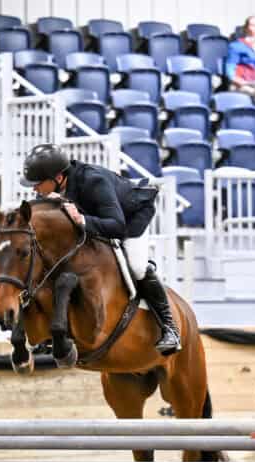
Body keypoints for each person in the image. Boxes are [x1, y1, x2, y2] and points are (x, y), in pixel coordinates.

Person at [18, 143, 181, 354]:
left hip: (130, 217)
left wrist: (82, 220)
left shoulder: (94, 181)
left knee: (136, 266)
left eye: (38, 183)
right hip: (99, 216)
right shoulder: (55, 189)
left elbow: (117, 226)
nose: (34, 189)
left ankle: (170, 327)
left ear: (58, 178)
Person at [225, 15, 255, 103]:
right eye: (253, 25)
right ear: (246, 28)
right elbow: (230, 68)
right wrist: (238, 81)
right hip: (243, 83)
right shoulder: (236, 46)